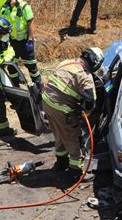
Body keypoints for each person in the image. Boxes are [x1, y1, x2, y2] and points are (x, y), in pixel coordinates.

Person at [42, 47, 104, 180]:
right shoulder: (85, 77)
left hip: (47, 103)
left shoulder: (67, 63)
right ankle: (76, 171)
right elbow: (90, 103)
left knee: (59, 134)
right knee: (73, 137)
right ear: (95, 63)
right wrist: (84, 114)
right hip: (61, 109)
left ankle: (61, 162)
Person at [0, 0, 42, 88]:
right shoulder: (3, 9)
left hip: (25, 41)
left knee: (31, 66)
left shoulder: (24, 7)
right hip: (12, 42)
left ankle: (38, 87)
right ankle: (15, 88)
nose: (4, 6)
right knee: (12, 67)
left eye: (5, 3)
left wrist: (30, 40)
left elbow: (31, 23)